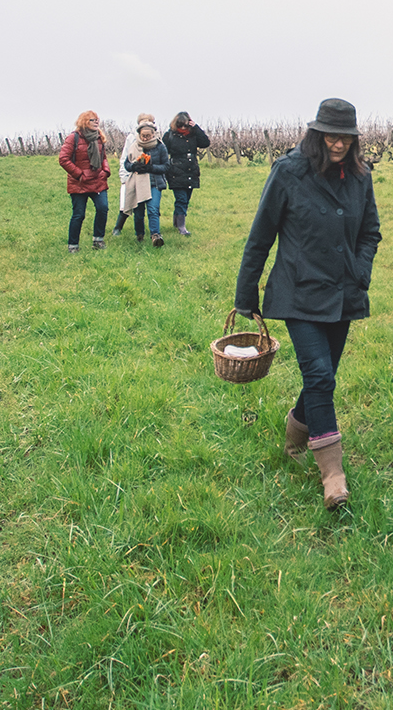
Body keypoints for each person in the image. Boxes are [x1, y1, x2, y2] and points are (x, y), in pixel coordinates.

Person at [235, 98, 381, 510]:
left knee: (324, 376)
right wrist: (246, 294)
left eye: (346, 137)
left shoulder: (360, 176)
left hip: (343, 293)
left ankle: (294, 436)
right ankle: (333, 476)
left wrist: (360, 271)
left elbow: (370, 231)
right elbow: (260, 234)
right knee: (319, 375)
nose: (338, 144)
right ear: (317, 134)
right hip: (298, 292)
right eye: (331, 135)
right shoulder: (288, 172)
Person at [57, 110, 111, 252]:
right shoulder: (73, 138)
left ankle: (98, 240)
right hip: (79, 183)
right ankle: (73, 245)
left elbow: (103, 157)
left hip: (98, 180)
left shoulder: (99, 137)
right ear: (84, 122)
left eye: (97, 120)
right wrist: (79, 174)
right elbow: (63, 159)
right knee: (79, 214)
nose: (96, 122)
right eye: (93, 120)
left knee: (103, 208)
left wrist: (105, 171)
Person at [114, 114, 171, 245]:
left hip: (155, 182)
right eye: (143, 136)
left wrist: (151, 167)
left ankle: (155, 235)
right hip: (137, 184)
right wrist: (134, 166)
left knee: (153, 209)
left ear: (153, 134)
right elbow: (126, 164)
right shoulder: (134, 146)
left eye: (148, 136)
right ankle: (139, 235)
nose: (145, 138)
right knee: (138, 211)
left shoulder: (160, 147)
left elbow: (166, 166)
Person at [162, 111, 212, 236]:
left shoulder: (193, 134)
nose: (183, 128)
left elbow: (205, 143)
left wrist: (196, 128)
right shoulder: (170, 136)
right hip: (176, 171)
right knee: (181, 199)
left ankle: (176, 221)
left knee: (186, 199)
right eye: (181, 125)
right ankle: (181, 226)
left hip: (191, 170)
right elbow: (163, 151)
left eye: (186, 125)